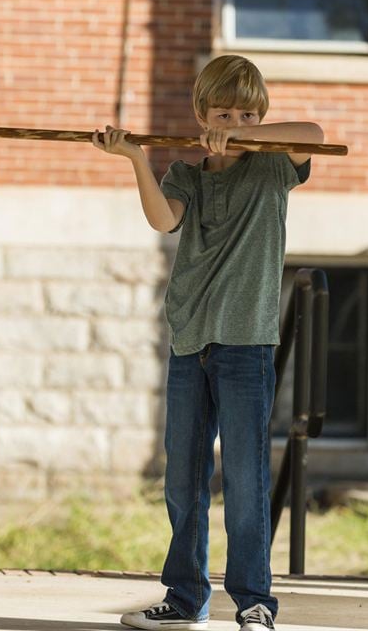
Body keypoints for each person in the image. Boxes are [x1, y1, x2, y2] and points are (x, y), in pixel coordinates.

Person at [94, 54, 321, 631]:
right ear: (200, 115)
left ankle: (254, 604)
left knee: (246, 481)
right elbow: (162, 221)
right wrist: (134, 157)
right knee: (183, 480)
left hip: (247, 346)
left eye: (248, 111)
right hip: (190, 342)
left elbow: (313, 134)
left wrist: (246, 132)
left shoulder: (274, 169)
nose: (235, 120)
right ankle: (185, 596)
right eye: (223, 111)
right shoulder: (186, 177)